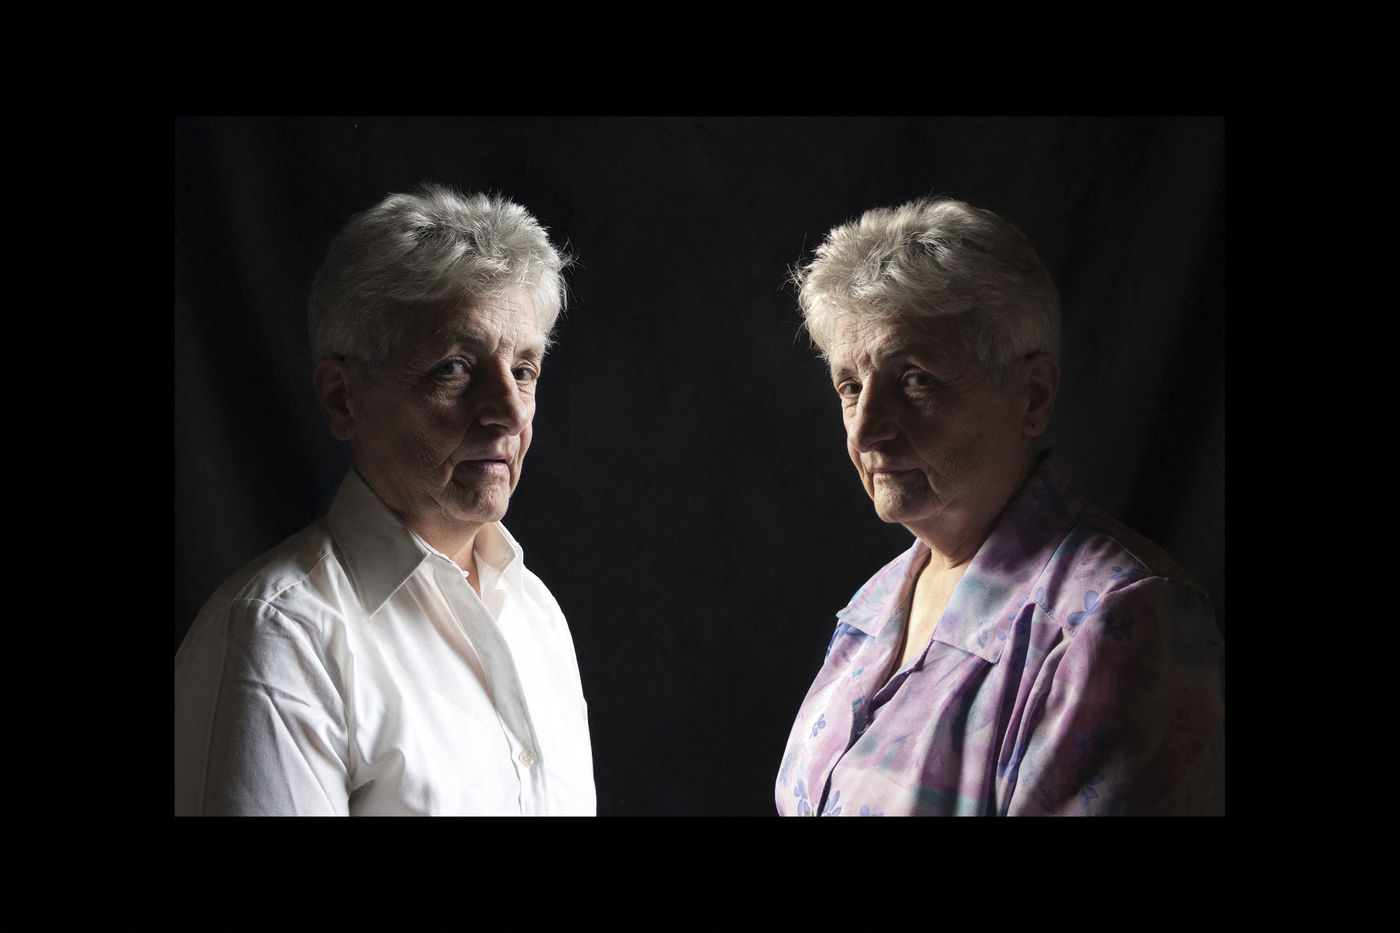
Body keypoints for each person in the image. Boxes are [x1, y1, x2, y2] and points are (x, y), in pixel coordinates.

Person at [775, 198, 1224, 816]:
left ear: (1032, 395)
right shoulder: (878, 601)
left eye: (915, 378)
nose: (866, 428)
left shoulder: (1115, 623)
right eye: (851, 385)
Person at [175, 185, 596, 815]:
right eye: (454, 367)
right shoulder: (282, 636)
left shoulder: (537, 617)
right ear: (342, 398)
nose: (510, 413)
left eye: (524, 370)